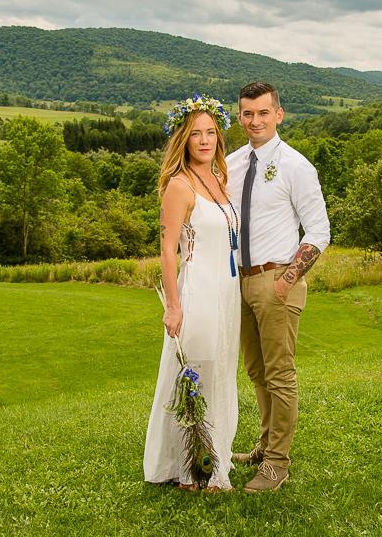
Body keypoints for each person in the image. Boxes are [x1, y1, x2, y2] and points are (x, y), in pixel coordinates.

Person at [226, 81, 330, 492]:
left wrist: (287, 281)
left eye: (263, 113)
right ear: (240, 116)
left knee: (280, 374)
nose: (255, 121)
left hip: (276, 280)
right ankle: (266, 444)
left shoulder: (296, 166)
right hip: (239, 282)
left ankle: (277, 464)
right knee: (256, 371)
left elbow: (319, 231)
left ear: (279, 115)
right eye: (248, 114)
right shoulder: (231, 164)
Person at [143, 95, 241, 492]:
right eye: (196, 134)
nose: (204, 141)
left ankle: (217, 458)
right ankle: (189, 468)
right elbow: (168, 250)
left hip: (227, 291)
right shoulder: (179, 186)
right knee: (197, 373)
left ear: (219, 136)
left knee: (220, 372)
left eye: (211, 133)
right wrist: (174, 305)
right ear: (183, 139)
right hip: (199, 289)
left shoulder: (219, 180)